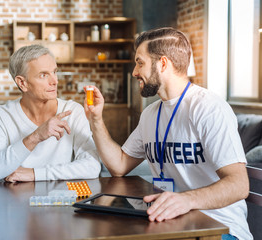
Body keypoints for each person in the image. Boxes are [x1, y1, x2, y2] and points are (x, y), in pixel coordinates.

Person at [84, 27, 252, 240]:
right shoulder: (150, 114)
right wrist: (96, 119)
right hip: (172, 224)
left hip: (219, 228)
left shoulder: (208, 108)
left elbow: (239, 185)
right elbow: (118, 166)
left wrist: (186, 200)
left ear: (162, 63)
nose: (135, 72)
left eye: (140, 62)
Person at [0, 44, 101, 183]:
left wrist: (36, 174)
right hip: (15, 200)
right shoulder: (1, 116)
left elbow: (92, 166)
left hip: (62, 200)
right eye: (43, 75)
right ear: (22, 83)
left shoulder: (72, 112)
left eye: (55, 72)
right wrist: (36, 137)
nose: (54, 81)